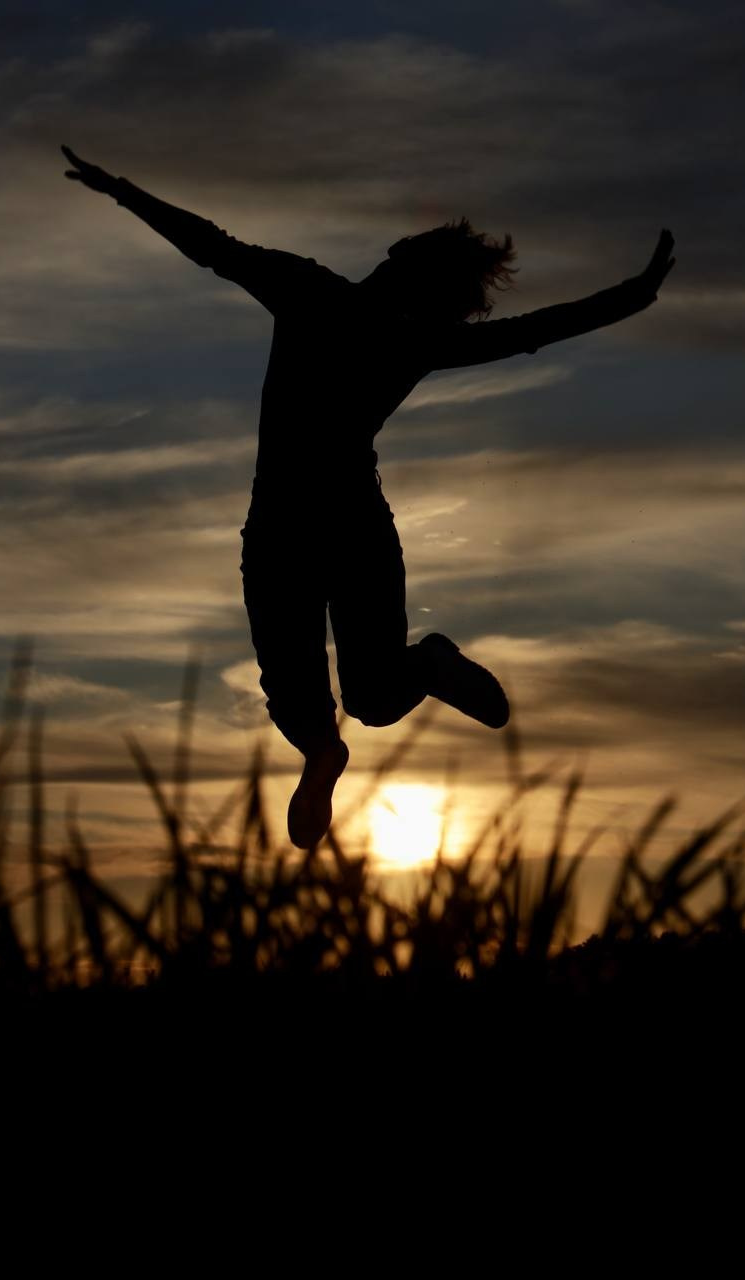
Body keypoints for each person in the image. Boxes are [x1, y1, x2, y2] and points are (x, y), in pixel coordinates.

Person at [62, 144, 675, 848]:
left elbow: (212, 247)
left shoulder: (318, 295)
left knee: (327, 695)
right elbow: (531, 333)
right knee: (346, 699)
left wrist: (125, 194)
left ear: (401, 260)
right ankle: (345, 735)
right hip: (330, 526)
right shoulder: (398, 333)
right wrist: (631, 296)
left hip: (301, 526)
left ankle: (404, 682)